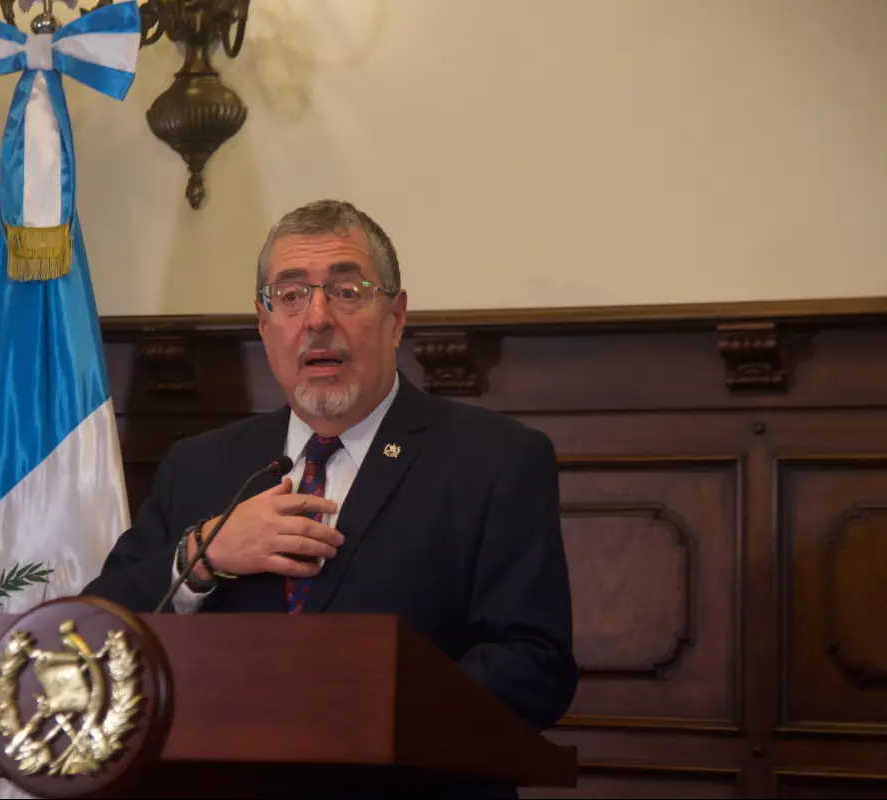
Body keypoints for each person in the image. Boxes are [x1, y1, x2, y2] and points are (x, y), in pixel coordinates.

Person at [82, 199, 578, 796]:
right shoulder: (201, 464)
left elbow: (536, 669)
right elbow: (96, 634)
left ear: (395, 316)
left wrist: (364, 706)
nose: (317, 318)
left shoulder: (494, 459)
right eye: (290, 296)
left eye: (347, 291)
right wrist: (202, 556)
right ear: (265, 325)